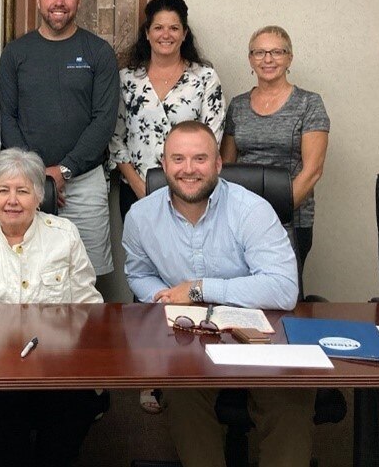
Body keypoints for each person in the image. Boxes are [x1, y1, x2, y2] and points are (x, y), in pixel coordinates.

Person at [123, 121, 313, 467]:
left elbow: (284, 288)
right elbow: (139, 273)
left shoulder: (251, 210)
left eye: (200, 158)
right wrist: (161, 297)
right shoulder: (140, 216)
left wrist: (200, 289)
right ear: (163, 164)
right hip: (188, 336)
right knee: (182, 396)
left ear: (218, 164)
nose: (188, 169)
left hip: (259, 334)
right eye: (177, 159)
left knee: (290, 398)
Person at [0, 148, 104, 466]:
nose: (12, 200)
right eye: (3, 190)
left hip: (55, 362)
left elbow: (88, 305)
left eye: (23, 191)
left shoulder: (63, 235)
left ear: (39, 197)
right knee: (5, 416)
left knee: (77, 405)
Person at [0, 0, 119, 300]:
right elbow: (6, 117)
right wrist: (39, 177)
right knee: (28, 269)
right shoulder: (15, 53)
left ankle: (84, 346)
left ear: (78, 1)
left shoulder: (98, 52)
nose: (59, 2)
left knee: (87, 273)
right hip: (25, 183)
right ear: (38, 0)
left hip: (84, 181)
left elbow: (104, 119)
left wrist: (64, 171)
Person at [111, 0, 224, 223]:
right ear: (147, 33)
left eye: (174, 28)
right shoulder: (127, 79)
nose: (166, 34)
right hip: (137, 190)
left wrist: (186, 186)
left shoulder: (204, 78)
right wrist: (138, 186)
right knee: (143, 258)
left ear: (184, 34)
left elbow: (212, 137)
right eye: (158, 27)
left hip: (191, 190)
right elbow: (115, 137)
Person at [222, 25, 329, 266]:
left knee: (283, 295)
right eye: (259, 53)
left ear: (290, 57)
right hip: (240, 219)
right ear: (250, 59)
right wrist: (243, 215)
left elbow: (312, 171)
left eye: (277, 52)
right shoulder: (238, 106)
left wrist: (271, 215)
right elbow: (226, 166)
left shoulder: (309, 104)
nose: (267, 59)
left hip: (291, 218)